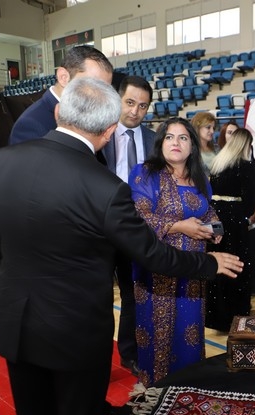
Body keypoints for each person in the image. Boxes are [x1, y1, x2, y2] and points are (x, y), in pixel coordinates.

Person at [0, 77, 242, 415]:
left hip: (14, 324)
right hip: (76, 333)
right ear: (107, 132)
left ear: (58, 112)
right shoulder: (104, 186)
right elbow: (150, 253)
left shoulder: (0, 162)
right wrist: (210, 264)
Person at [129, 117, 220, 387]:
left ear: (192, 146)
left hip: (193, 272)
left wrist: (215, 230)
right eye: (169, 137)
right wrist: (180, 226)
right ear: (161, 143)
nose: (176, 143)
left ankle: (187, 390)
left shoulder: (200, 178)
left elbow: (211, 213)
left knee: (189, 334)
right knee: (158, 336)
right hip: (157, 272)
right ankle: (155, 393)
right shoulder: (144, 173)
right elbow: (138, 218)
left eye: (183, 137)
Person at [100, 75, 156, 376]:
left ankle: (130, 353)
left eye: (143, 106)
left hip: (139, 228)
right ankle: (96, 357)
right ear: (118, 99)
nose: (135, 111)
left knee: (135, 293)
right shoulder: (101, 134)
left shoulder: (153, 140)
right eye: (130, 102)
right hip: (101, 228)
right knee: (99, 296)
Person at [206, 128, 255, 331]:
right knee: (236, 265)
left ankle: (215, 316)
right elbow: (250, 199)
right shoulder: (246, 164)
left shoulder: (219, 162)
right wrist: (243, 216)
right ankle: (235, 314)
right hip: (234, 220)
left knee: (216, 261)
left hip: (213, 216)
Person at [9, 45, 113, 145]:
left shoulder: (92, 116)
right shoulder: (30, 124)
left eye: (105, 90)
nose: (100, 96)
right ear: (63, 77)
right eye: (93, 85)